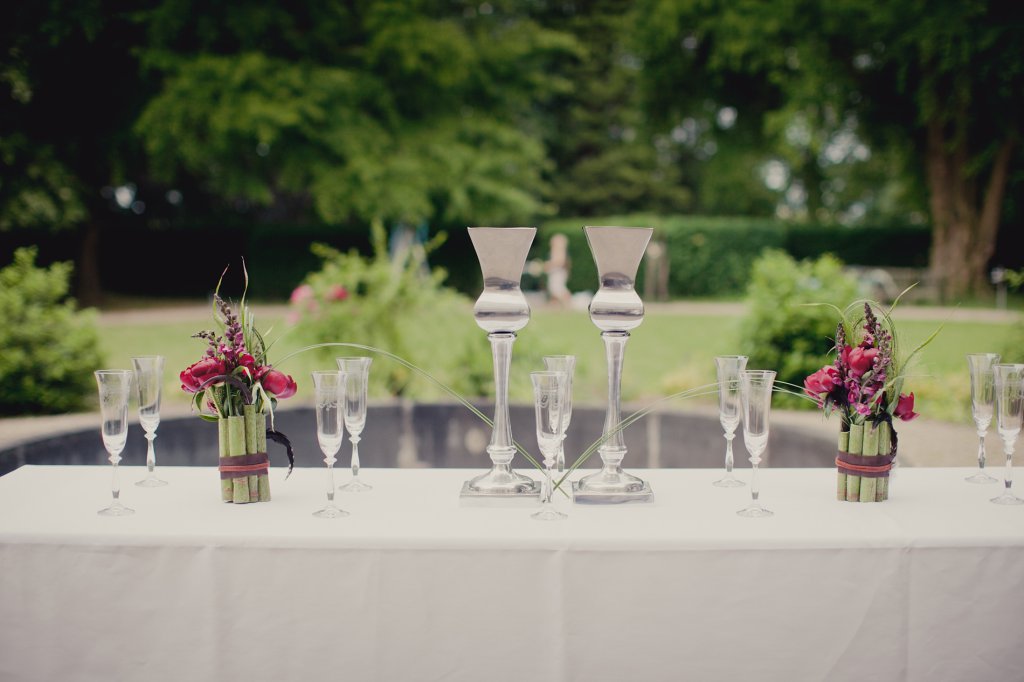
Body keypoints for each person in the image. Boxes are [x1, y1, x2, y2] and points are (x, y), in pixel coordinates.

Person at [545, 233, 572, 306]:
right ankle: (555, 305)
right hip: (555, 272)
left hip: (558, 273)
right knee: (554, 289)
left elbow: (559, 262)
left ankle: (568, 303)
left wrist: (548, 265)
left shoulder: (559, 250)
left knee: (558, 289)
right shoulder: (556, 250)